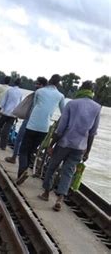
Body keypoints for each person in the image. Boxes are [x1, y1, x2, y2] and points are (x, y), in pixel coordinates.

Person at [38, 81, 101, 211]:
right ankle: (60, 199)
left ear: (81, 89)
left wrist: (51, 144)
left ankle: (46, 194)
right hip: (80, 147)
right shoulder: (97, 107)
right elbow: (92, 133)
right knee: (68, 172)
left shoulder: (72, 104)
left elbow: (61, 128)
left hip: (64, 143)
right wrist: (87, 151)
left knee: (52, 167)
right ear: (92, 92)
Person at [16, 74, 65, 185]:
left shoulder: (39, 91)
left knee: (23, 150)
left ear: (50, 81)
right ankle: (22, 173)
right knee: (32, 150)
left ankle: (22, 171)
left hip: (32, 125)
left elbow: (34, 107)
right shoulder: (60, 96)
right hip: (44, 128)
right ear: (58, 84)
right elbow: (64, 113)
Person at [5, 77, 48, 164]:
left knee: (19, 139)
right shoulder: (46, 96)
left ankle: (14, 157)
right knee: (29, 144)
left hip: (29, 120)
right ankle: (26, 163)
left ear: (42, 85)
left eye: (38, 83)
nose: (36, 85)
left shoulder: (37, 94)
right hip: (41, 124)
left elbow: (31, 108)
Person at [0, 78, 22, 150]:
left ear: (14, 83)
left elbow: (3, 101)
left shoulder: (9, 90)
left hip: (5, 113)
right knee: (7, 130)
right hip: (13, 115)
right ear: (20, 84)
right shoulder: (20, 93)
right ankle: (3, 145)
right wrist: (17, 116)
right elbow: (19, 104)